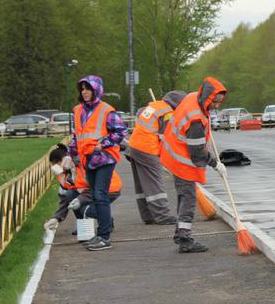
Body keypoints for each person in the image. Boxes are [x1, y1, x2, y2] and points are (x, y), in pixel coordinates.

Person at [160, 77, 228, 253]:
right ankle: (185, 239)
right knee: (188, 199)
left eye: (220, 102)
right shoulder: (196, 119)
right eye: (215, 102)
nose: (217, 106)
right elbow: (197, 151)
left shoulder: (192, 97)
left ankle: (180, 233)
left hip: (174, 154)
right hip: (181, 160)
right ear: (207, 97)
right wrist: (215, 163)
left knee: (184, 197)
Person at [67, 75, 128, 251]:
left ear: (96, 90)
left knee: (100, 195)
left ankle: (104, 236)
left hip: (104, 158)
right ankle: (101, 233)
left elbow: (121, 131)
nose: (85, 92)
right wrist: (69, 155)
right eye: (83, 89)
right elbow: (77, 136)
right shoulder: (78, 110)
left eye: (88, 89)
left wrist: (103, 144)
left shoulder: (106, 110)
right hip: (88, 160)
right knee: (95, 195)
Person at [127, 90, 187, 225]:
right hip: (147, 148)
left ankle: (147, 215)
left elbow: (141, 118)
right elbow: (166, 138)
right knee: (155, 184)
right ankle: (163, 216)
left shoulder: (154, 106)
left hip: (134, 147)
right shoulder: (168, 113)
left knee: (142, 185)